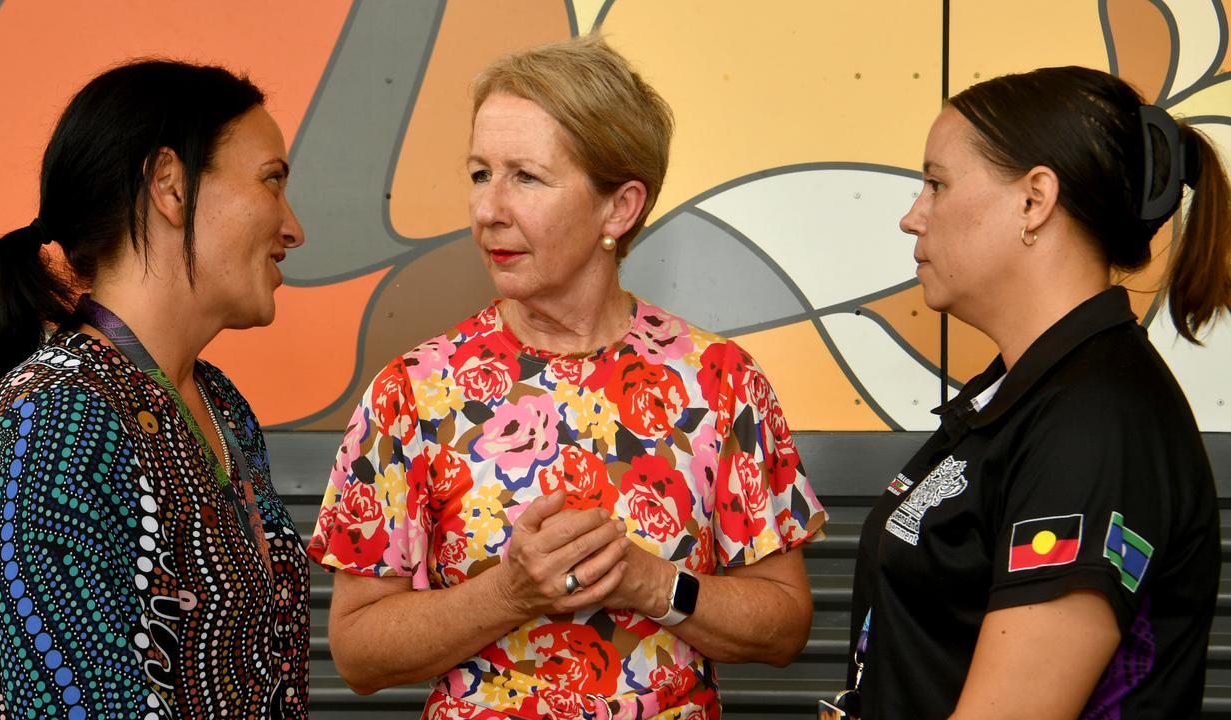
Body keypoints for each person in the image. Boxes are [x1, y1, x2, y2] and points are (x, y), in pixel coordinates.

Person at [308, 35, 826, 719]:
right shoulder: (413, 391)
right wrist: (509, 593)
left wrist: (651, 584)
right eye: (478, 173)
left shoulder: (719, 382)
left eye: (525, 176)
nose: (488, 208)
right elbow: (358, 652)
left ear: (619, 207)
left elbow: (785, 625)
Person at [841, 66, 1229, 719]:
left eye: (936, 184)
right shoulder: (1025, 391)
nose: (913, 218)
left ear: (1034, 200)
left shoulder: (1097, 424)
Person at [0, 60, 311, 719]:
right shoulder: (49, 424)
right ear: (170, 187)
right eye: (271, 183)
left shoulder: (220, 403)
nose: (293, 228)